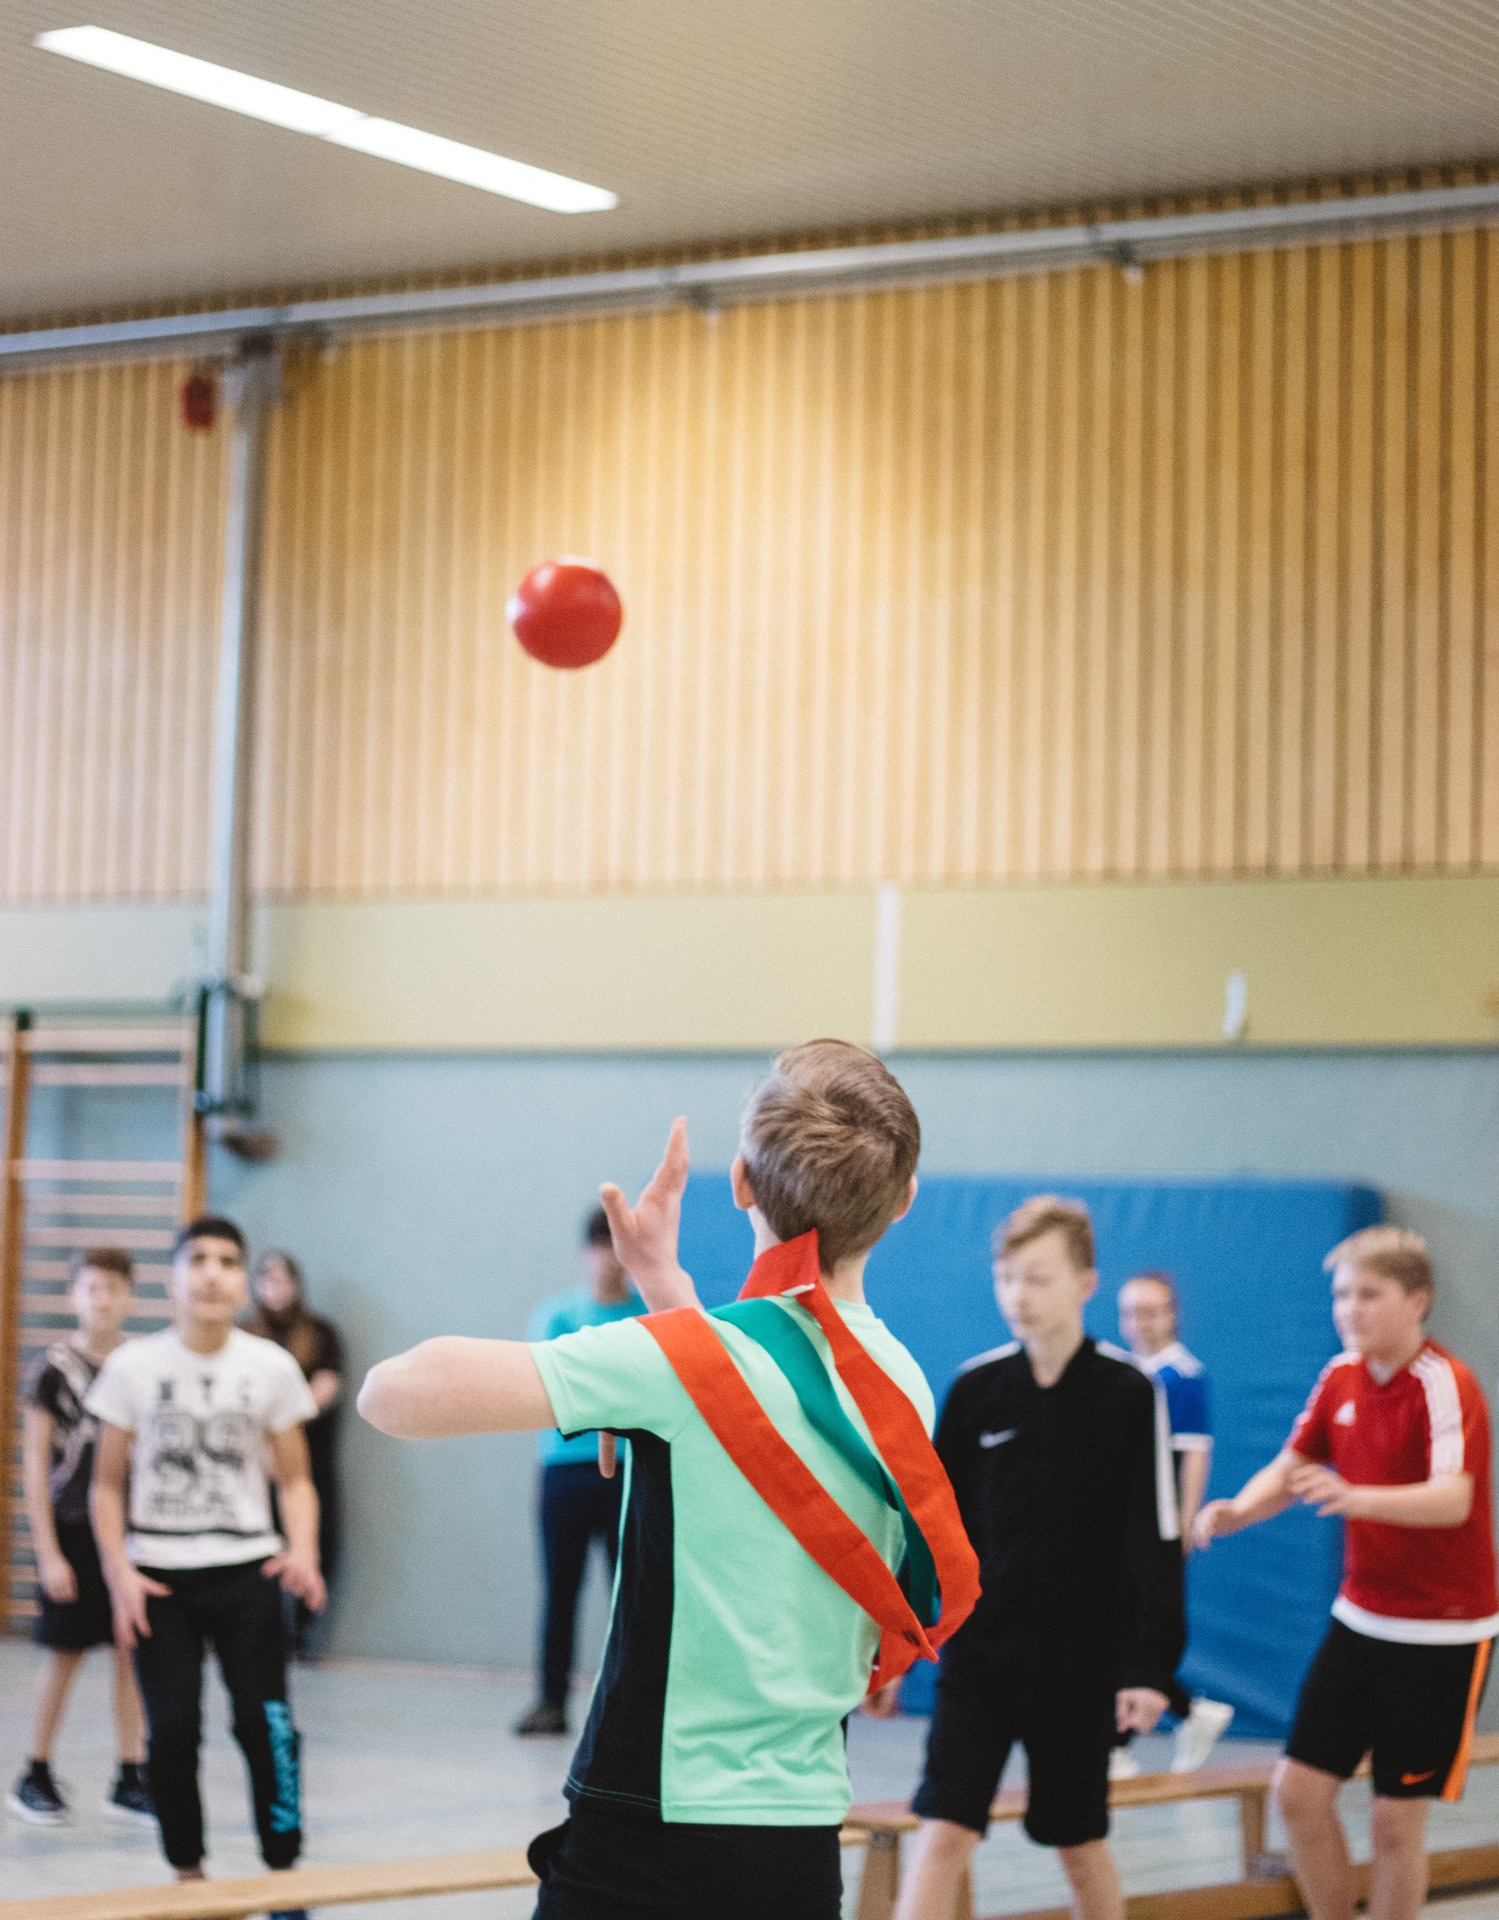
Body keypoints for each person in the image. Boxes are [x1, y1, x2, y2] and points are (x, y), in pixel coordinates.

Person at [359, 1040, 979, 1920]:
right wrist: (662, 1286)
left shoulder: (677, 1363)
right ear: (903, 1201)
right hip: (799, 1840)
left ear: (741, 1184)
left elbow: (392, 1393)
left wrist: (628, 1363)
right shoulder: (903, 1386)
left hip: (647, 1828)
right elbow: (757, 1398)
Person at [895, 1196, 1185, 1920]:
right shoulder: (975, 1390)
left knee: (1078, 1843)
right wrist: (898, 1643)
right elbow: (931, 1533)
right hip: (980, 1661)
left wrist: (1149, 1666)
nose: (1017, 1296)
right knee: (942, 1831)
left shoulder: (1128, 1392)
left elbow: (1154, 1535)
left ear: (1086, 1284)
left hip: (1080, 1668)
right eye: (1006, 1278)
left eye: (1037, 1278)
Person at [1195, 1226, 1496, 1920]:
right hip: (1360, 1620)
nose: (1349, 1309)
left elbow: (1453, 1500)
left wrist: (1356, 1497)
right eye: (1340, 1295)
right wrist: (1240, 1510)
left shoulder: (1445, 1383)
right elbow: (1293, 1464)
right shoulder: (1339, 1376)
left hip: (1443, 1635)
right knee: (1298, 1794)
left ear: (1417, 1301)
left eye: (1369, 1294)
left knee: (1395, 1822)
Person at [87, 1214, 325, 1900]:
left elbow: (296, 1479)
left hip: (249, 1572)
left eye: (227, 1261)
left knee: (265, 1725)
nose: (212, 1273)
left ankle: (283, 1876)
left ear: (243, 1281)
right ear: (173, 1278)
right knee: (172, 1732)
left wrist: (303, 1550)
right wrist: (120, 1572)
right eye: (197, 1260)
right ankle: (188, 1877)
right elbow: (106, 1485)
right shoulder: (132, 1367)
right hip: (159, 1581)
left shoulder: (270, 1366)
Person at [8, 1249, 153, 1826]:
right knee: (64, 1654)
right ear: (73, 1296)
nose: (103, 1299)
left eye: (114, 1288)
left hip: (129, 1532)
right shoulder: (53, 1368)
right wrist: (47, 1551)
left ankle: (130, 1774)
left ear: (130, 1298)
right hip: (71, 1531)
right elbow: (35, 1464)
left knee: (130, 1650)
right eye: (92, 1288)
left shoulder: (140, 1365)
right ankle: (35, 1771)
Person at [513, 1207, 645, 1737]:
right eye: (603, 1246)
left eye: (619, 1247)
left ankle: (629, 1706)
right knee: (560, 1591)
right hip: (566, 1472)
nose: (611, 1258)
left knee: (629, 1593)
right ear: (587, 1252)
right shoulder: (557, 1316)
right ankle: (550, 1701)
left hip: (629, 1471)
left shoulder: (646, 1316)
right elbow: (550, 1390)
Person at [1115, 1270, 1234, 1775]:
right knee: (1112, 1626)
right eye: (1130, 1313)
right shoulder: (1121, 1370)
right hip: (1116, 1527)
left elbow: (1195, 1456)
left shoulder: (1182, 1376)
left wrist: (1182, 1529)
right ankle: (1189, 1714)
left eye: (1150, 1312)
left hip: (1155, 1528)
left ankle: (1118, 1743)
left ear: (1171, 1315)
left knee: (1139, 1633)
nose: (1139, 1323)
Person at [245, 1251, 345, 1655]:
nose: (274, 1289)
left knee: (319, 1539)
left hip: (310, 1457)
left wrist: (285, 1424)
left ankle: (302, 1629)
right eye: (266, 1280)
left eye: (281, 1280)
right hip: (257, 1462)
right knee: (262, 1546)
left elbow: (325, 1389)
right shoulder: (245, 1335)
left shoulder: (320, 1333)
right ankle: (262, 1629)